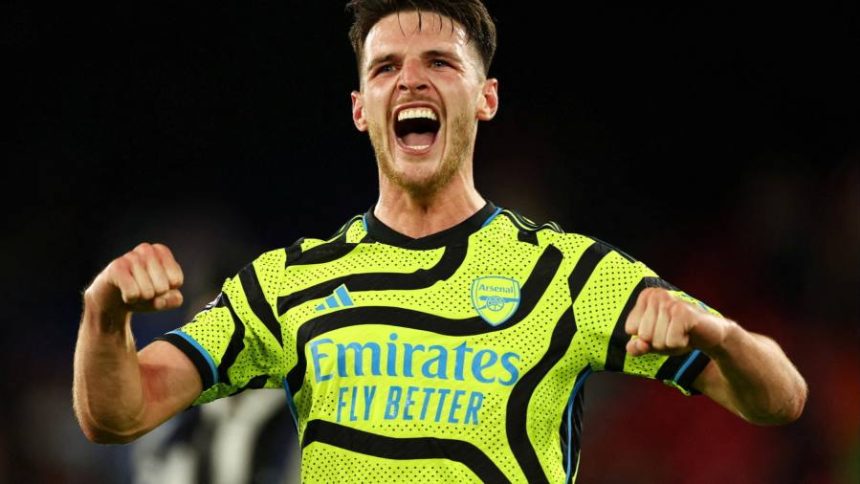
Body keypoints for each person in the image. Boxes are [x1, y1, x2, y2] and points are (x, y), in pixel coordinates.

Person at [73, 1, 808, 482]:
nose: (410, 82)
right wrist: (104, 315)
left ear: (485, 98)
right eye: (385, 67)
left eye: (440, 63)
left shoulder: (571, 274)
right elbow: (117, 413)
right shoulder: (287, 283)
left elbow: (782, 398)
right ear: (360, 109)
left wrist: (718, 335)